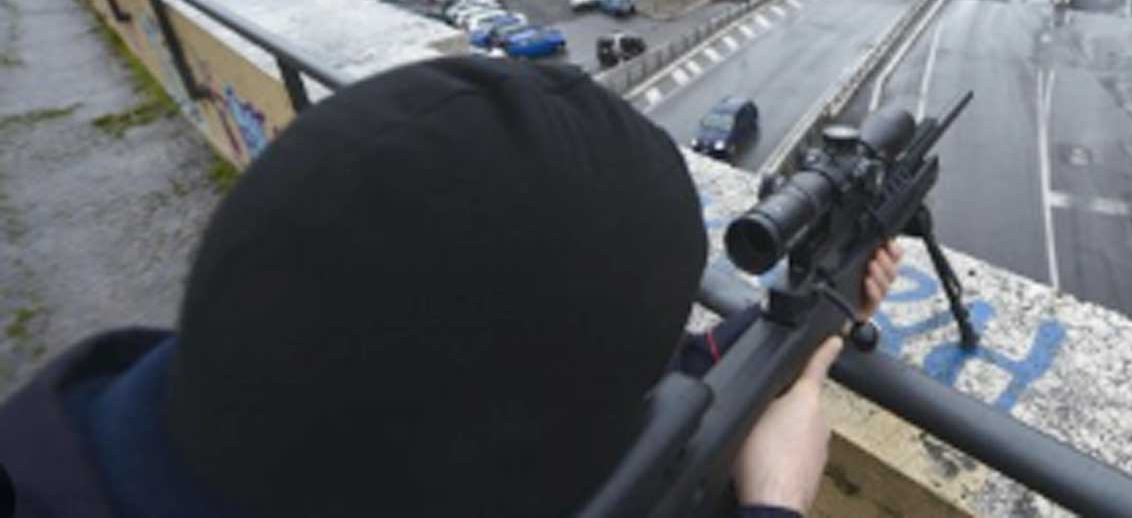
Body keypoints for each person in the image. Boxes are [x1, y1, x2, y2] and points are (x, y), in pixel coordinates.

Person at [0, 57, 901, 517]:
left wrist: (812, 319)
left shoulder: (226, 399)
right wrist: (777, 500)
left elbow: (549, 360)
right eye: (631, 400)